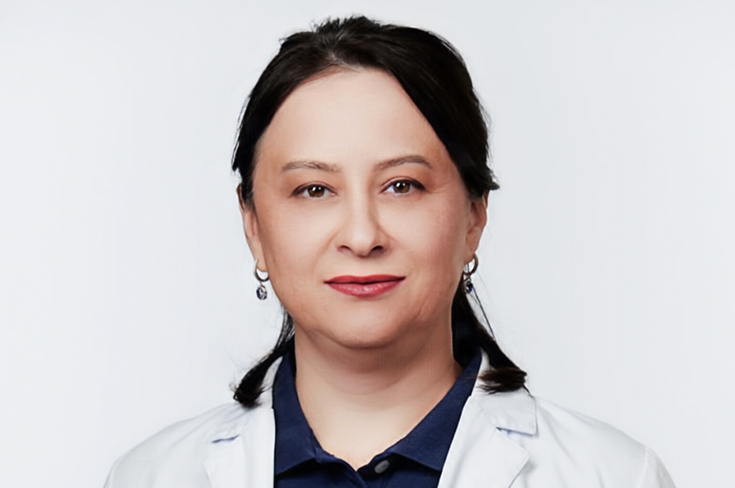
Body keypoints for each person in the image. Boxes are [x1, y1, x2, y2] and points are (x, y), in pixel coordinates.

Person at [104, 16, 676, 487]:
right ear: (253, 225)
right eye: (314, 190)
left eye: (402, 185)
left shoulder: (615, 476)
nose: (362, 236)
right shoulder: (150, 477)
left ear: (474, 214)